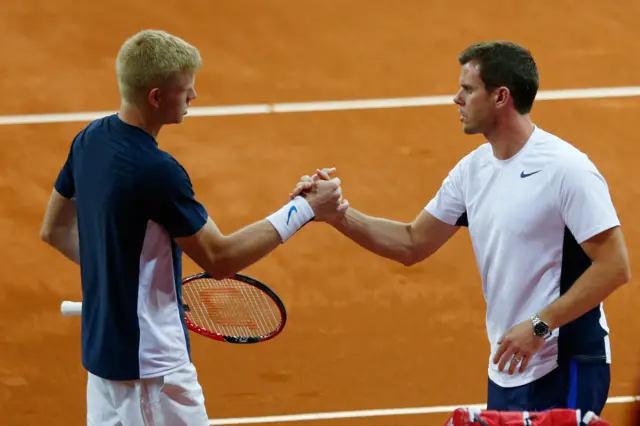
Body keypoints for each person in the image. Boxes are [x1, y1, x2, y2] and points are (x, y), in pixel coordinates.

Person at [292, 41, 631, 415]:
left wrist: (540, 325)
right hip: (509, 364)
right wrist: (335, 214)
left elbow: (615, 266)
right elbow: (411, 243)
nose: (457, 99)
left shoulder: (567, 170)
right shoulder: (472, 171)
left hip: (565, 362)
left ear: (501, 96)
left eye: (468, 90)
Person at [39, 29, 347, 426]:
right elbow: (220, 258)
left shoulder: (89, 140)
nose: (194, 96)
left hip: (103, 369)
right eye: (185, 89)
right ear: (155, 97)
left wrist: (116, 290)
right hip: (152, 376)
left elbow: (55, 230)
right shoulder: (157, 171)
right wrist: (304, 210)